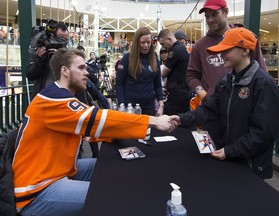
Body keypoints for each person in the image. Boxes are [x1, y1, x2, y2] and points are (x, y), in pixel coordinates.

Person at [13, 48, 176, 215]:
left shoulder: (57, 95)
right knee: (110, 194)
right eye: (81, 68)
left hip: (57, 171)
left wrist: (116, 135)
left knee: (112, 164)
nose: (87, 73)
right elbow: (98, 119)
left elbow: (88, 132)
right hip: (37, 190)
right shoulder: (53, 99)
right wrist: (153, 121)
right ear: (65, 71)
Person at [170, 28, 279, 179]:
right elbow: (209, 110)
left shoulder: (264, 84)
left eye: (227, 50)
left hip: (250, 165)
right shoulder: (227, 80)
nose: (222, 55)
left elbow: (263, 133)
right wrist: (182, 118)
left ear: (244, 51)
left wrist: (230, 151)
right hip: (230, 159)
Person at [186, 0, 267, 103]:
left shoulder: (246, 37)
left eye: (215, 14)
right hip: (213, 107)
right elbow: (192, 75)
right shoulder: (200, 46)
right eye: (207, 16)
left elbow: (261, 69)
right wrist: (204, 95)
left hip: (244, 103)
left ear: (225, 12)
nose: (210, 19)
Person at [116, 27, 164, 116]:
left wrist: (161, 105)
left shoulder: (154, 59)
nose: (146, 45)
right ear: (137, 43)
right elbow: (119, 83)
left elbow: (157, 84)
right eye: (142, 42)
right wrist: (121, 105)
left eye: (148, 42)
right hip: (130, 107)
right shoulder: (127, 59)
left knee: (149, 130)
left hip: (149, 106)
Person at [26, 22, 69, 99]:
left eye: (65, 39)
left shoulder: (69, 55)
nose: (63, 42)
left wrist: (61, 58)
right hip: (43, 99)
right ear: (52, 37)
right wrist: (40, 59)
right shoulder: (42, 52)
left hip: (63, 99)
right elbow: (30, 75)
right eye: (61, 38)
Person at [157, 28, 190, 115]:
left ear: (169, 39)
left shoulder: (175, 50)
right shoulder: (180, 48)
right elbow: (172, 71)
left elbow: (164, 73)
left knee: (169, 116)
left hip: (178, 91)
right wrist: (164, 86)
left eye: (163, 44)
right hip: (181, 90)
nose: (163, 46)